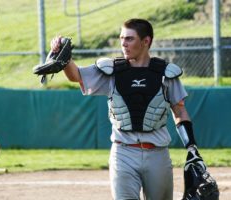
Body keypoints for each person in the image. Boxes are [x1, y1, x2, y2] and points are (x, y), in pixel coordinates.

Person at [50, 18, 208, 200]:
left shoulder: (166, 73)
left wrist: (192, 147)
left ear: (146, 41)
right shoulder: (112, 71)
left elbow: (179, 111)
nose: (123, 44)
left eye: (129, 39)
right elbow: (76, 76)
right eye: (121, 38)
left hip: (158, 153)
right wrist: (64, 58)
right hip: (123, 152)